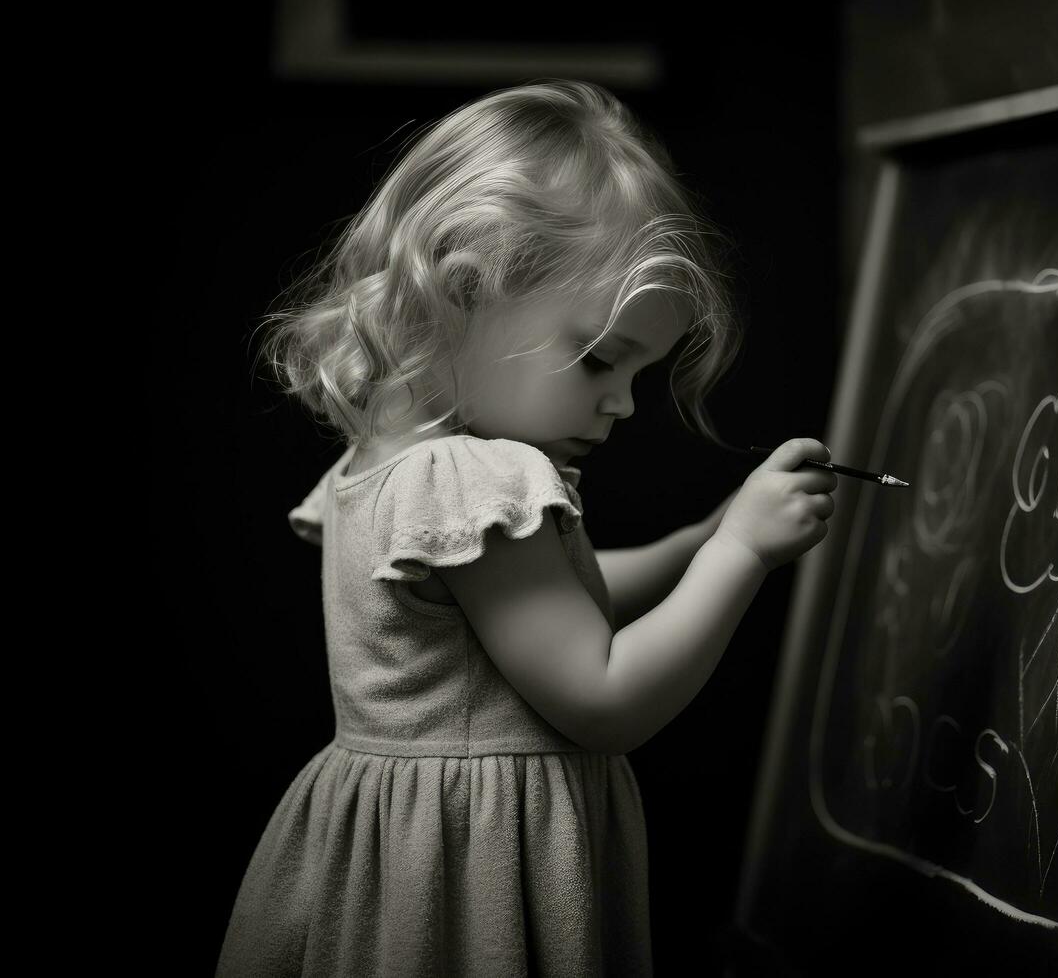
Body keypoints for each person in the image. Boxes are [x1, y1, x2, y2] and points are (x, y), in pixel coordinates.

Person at [216, 78, 837, 977]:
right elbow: (605, 698)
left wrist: (695, 544)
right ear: (466, 289)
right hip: (467, 879)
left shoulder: (380, 465)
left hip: (395, 850)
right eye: (599, 358)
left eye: (640, 373)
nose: (623, 402)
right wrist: (739, 556)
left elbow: (549, 607)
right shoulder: (469, 478)